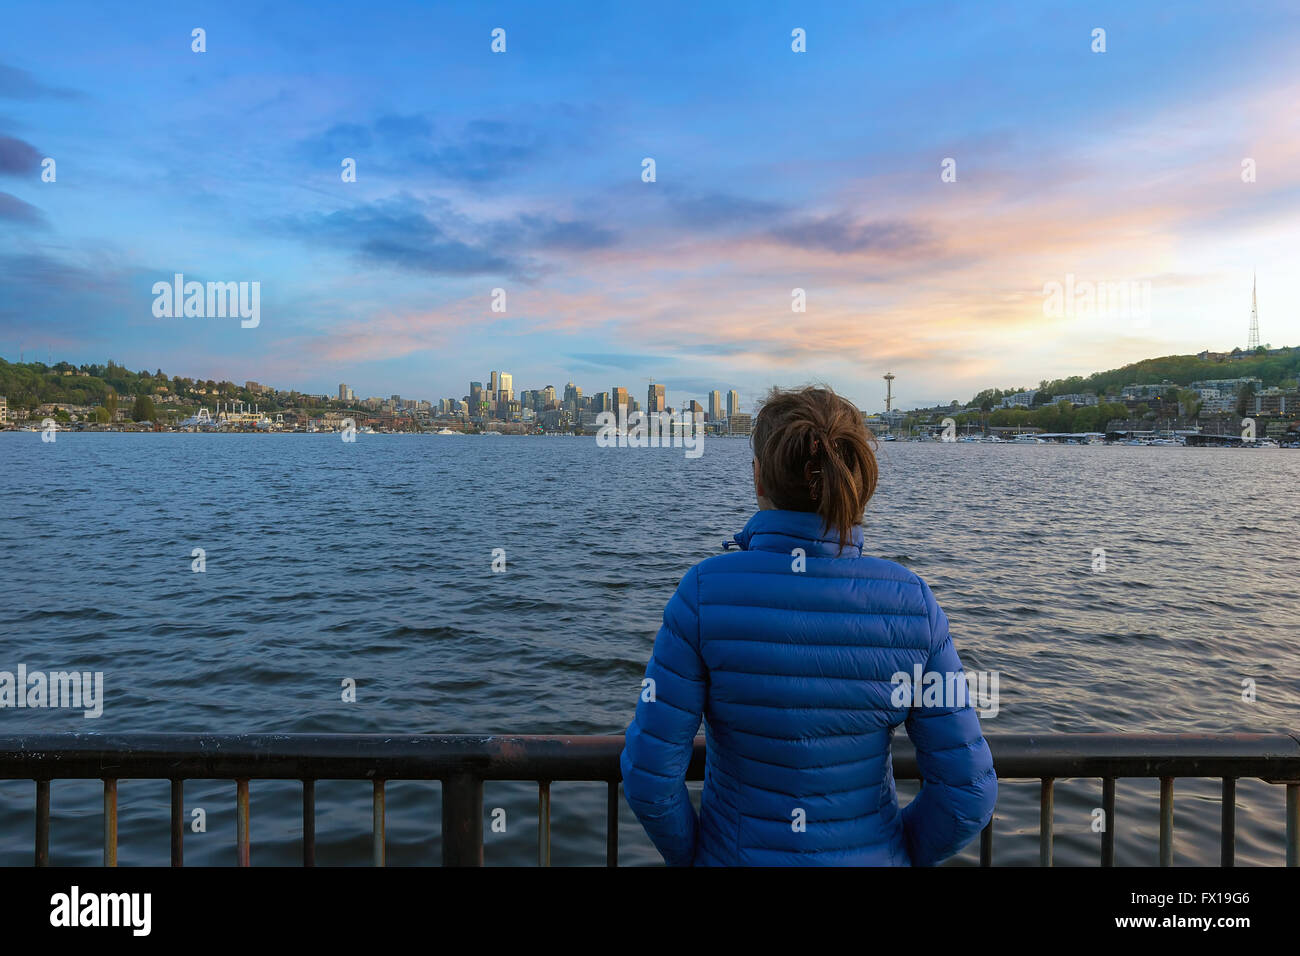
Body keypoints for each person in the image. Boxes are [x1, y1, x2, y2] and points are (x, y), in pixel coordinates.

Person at [620, 385, 996, 865]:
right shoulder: (911, 602)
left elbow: (651, 777)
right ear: (858, 481)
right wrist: (891, 853)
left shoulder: (702, 593)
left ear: (759, 478)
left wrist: (699, 854)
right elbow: (967, 794)